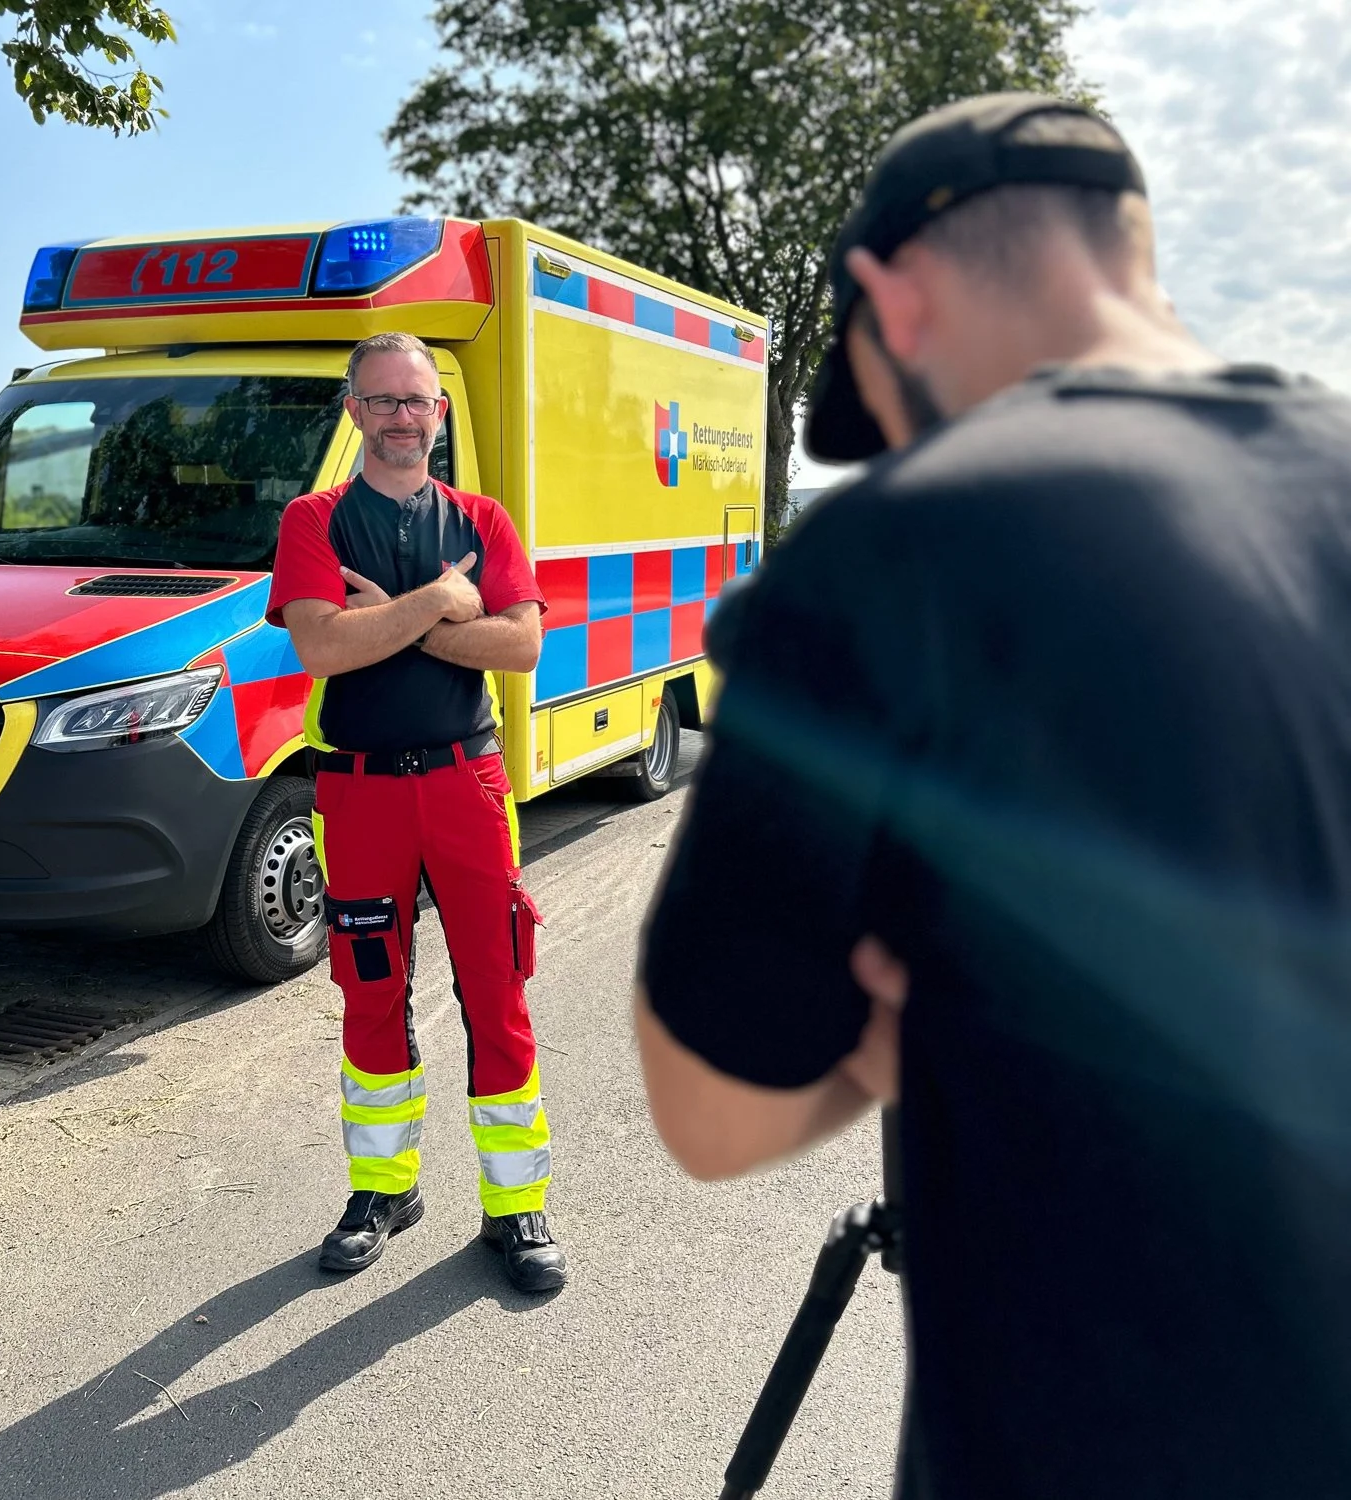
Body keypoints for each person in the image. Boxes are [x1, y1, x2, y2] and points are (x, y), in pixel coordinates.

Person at [636, 93, 1351, 1496]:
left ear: (897, 304)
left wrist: (939, 1033)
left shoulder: (899, 552)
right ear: (1135, 245)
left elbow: (709, 1110)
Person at [268, 330, 566, 1293]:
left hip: (465, 781)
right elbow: (320, 647)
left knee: (496, 985)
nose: (405, 417)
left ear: (440, 413)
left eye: (420, 401)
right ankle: (383, 1191)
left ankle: (516, 1207)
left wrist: (391, 616)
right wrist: (443, 600)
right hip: (357, 790)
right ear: (353, 410)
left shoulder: (485, 516)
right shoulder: (313, 520)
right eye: (385, 400)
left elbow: (519, 650)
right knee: (367, 988)